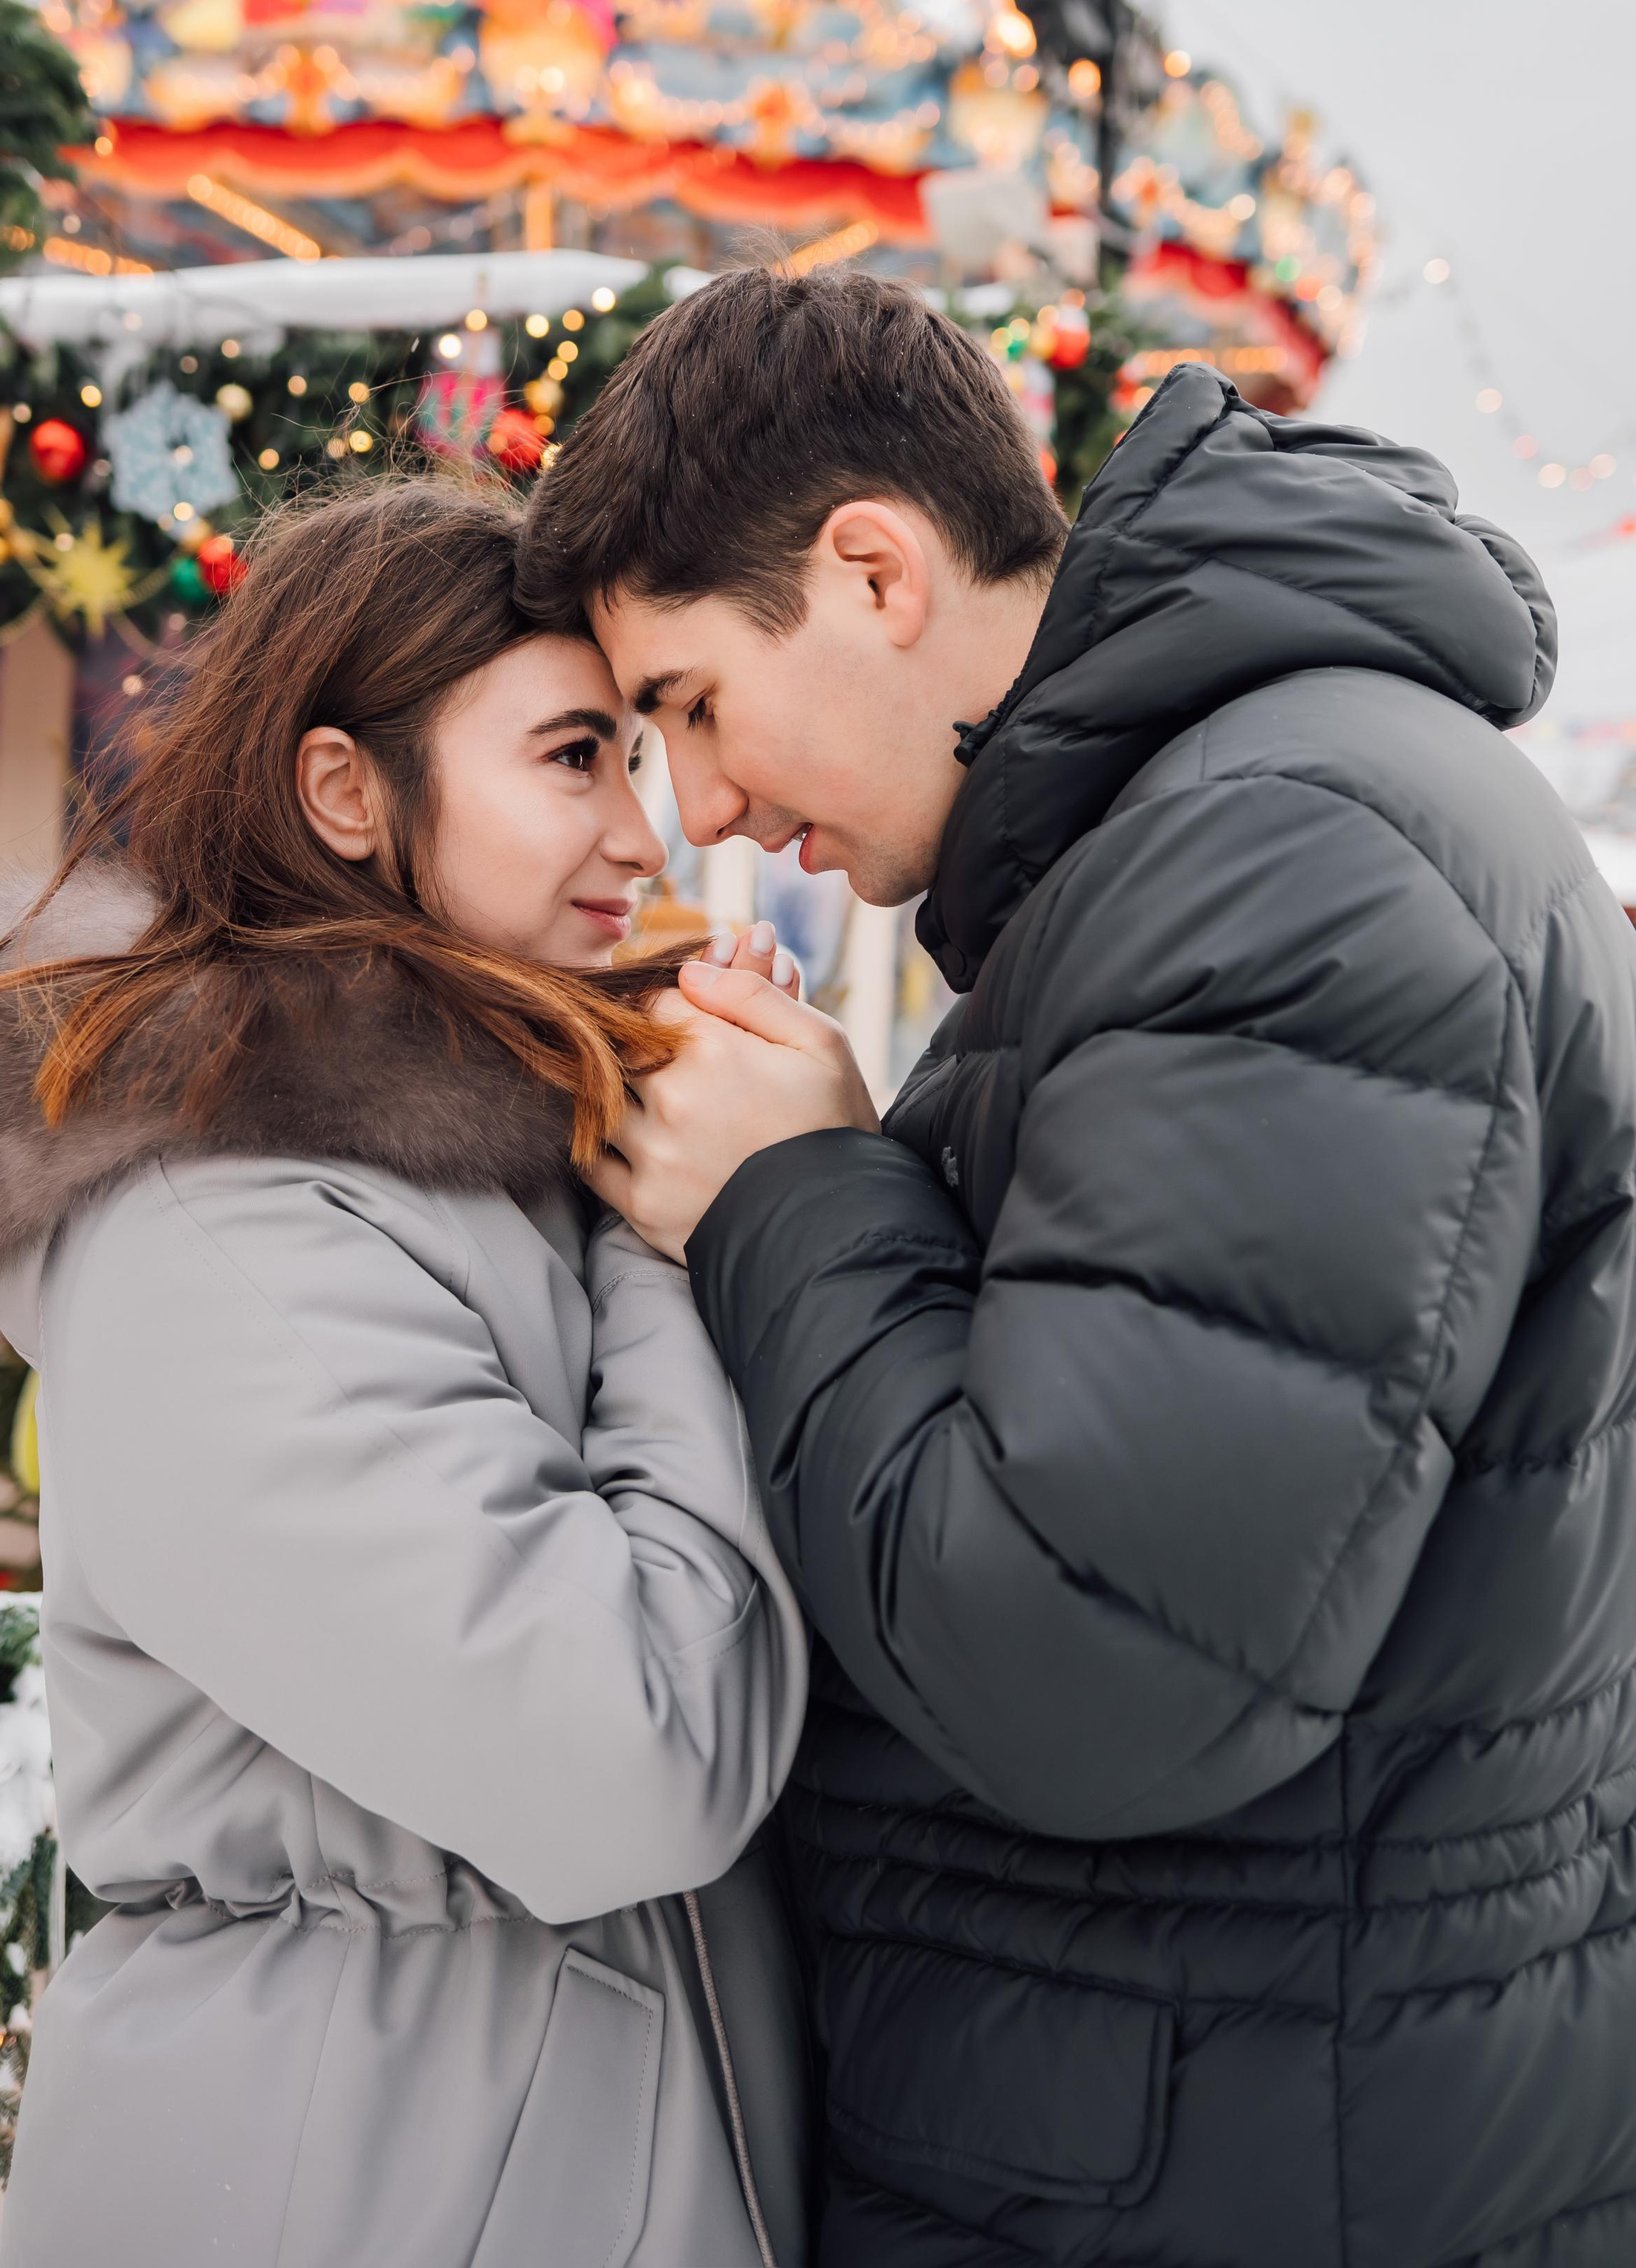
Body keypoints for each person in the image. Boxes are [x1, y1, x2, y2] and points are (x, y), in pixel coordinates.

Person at [516, 263, 1636, 2268]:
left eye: (692, 703)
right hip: (1240, 2107)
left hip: (1232, 2148)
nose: (701, 809)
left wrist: (795, 1196)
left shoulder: (1282, 856)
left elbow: (1099, 1659)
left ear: (872, 572)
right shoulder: (1217, 831)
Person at [0, 479, 811, 2268]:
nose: (644, 829)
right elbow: (630, 1756)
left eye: (642, 752)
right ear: (344, 790)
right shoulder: (218, 1237)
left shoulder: (515, 1160)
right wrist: (699, 1236)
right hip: (343, 2171)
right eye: (574, 756)